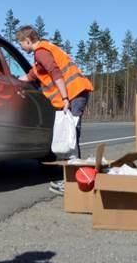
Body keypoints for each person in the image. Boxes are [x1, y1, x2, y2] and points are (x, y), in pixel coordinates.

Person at [15, 26, 93, 195]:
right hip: (75, 93)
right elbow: (31, 76)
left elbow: (55, 73)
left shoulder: (41, 52)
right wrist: (14, 81)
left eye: (21, 44)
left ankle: (73, 183)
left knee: (70, 138)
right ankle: (73, 180)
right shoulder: (43, 54)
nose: (20, 47)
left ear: (27, 41)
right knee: (70, 137)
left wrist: (64, 98)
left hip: (73, 94)